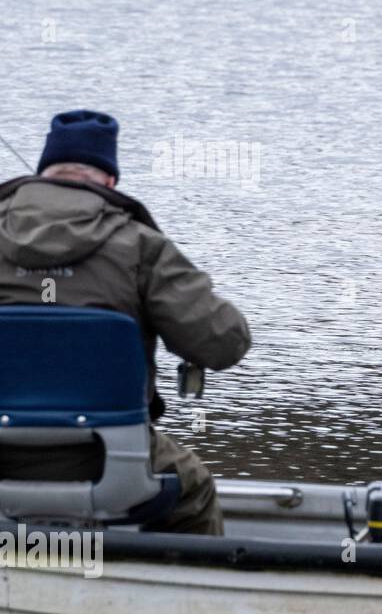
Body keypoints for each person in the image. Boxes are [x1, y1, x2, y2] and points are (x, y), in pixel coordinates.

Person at [0, 110, 250, 535]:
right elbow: (223, 342)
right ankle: (176, 592)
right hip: (107, 460)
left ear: (45, 174)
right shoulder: (141, 247)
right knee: (194, 489)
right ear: (110, 182)